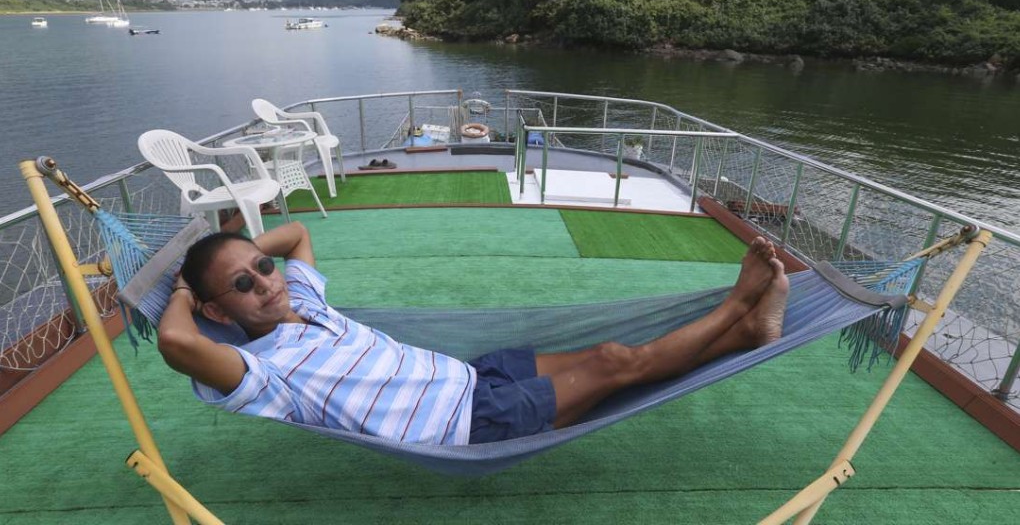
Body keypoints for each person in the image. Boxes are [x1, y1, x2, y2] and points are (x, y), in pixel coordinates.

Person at [159, 221, 789, 445]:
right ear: (219, 314)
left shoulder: (305, 301)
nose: (265, 283)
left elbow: (295, 233)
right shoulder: (264, 371)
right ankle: (738, 305)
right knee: (618, 360)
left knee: (614, 358)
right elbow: (177, 344)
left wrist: (234, 256)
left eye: (263, 268)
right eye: (242, 285)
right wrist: (186, 291)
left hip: (473, 375)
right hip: (468, 423)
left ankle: (748, 334)